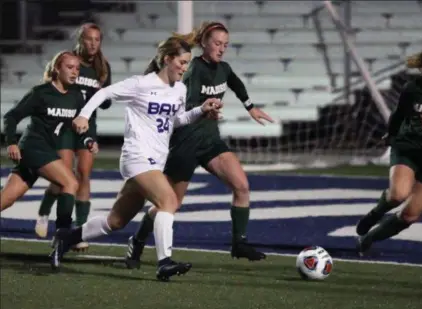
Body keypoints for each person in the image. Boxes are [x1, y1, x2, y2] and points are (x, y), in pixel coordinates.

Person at [49, 36, 223, 281]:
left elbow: (177, 121)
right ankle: (164, 262)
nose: (185, 68)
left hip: (155, 162)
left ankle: (66, 237)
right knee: (168, 201)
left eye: (187, 63)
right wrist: (85, 116)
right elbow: (103, 93)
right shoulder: (140, 84)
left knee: (115, 221)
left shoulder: (180, 89)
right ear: (167, 60)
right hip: (136, 157)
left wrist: (201, 110)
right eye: (182, 63)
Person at [125, 21, 274, 268]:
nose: (222, 48)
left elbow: (235, 83)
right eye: (217, 43)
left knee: (242, 186)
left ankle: (239, 242)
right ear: (204, 42)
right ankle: (137, 240)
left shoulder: (223, 69)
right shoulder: (192, 70)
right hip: (184, 144)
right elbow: (182, 108)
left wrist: (250, 106)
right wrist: (205, 111)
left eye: (225, 44)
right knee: (170, 204)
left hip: (210, 140)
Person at [1, 51, 97, 233]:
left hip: (47, 151)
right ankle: (62, 235)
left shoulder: (76, 96)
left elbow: (77, 127)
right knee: (71, 183)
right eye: (69, 67)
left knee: (7, 199)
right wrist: (11, 142)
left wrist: (88, 140)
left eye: (77, 68)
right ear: (57, 69)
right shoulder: (41, 93)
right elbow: (11, 116)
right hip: (33, 147)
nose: (75, 72)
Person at [35, 23, 112, 251]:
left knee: (84, 175)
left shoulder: (103, 67)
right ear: (80, 40)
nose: (93, 44)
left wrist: (101, 93)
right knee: (64, 178)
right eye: (89, 39)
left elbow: (107, 102)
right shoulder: (71, 61)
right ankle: (44, 211)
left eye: (97, 39)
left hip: (88, 126)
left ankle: (78, 231)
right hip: (66, 125)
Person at [356, 42, 422, 253]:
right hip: (408, 148)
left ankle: (371, 237)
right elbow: (399, 115)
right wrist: (390, 135)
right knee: (398, 195)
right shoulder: (414, 88)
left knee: (410, 215)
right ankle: (375, 213)